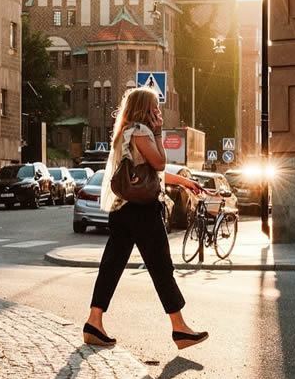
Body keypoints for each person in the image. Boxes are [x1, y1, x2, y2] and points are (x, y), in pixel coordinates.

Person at [83, 86, 209, 351]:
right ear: (145, 109)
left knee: (112, 265)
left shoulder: (124, 134)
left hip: (123, 209)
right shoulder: (141, 131)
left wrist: (184, 182)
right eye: (155, 107)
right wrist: (159, 132)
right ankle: (180, 328)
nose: (158, 112)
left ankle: (94, 322)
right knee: (162, 267)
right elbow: (160, 163)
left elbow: (148, 172)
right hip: (142, 211)